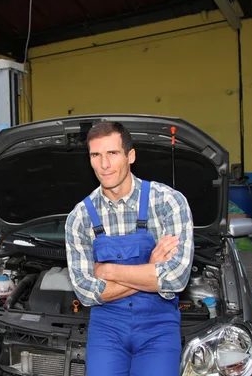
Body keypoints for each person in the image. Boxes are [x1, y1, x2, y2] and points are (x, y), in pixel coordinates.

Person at [65, 121, 194, 376]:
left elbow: (176, 278)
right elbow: (87, 292)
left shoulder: (168, 202)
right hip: (107, 328)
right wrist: (151, 269)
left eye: (112, 153)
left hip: (159, 328)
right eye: (96, 155)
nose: (104, 165)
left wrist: (105, 270)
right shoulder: (80, 217)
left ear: (130, 155)